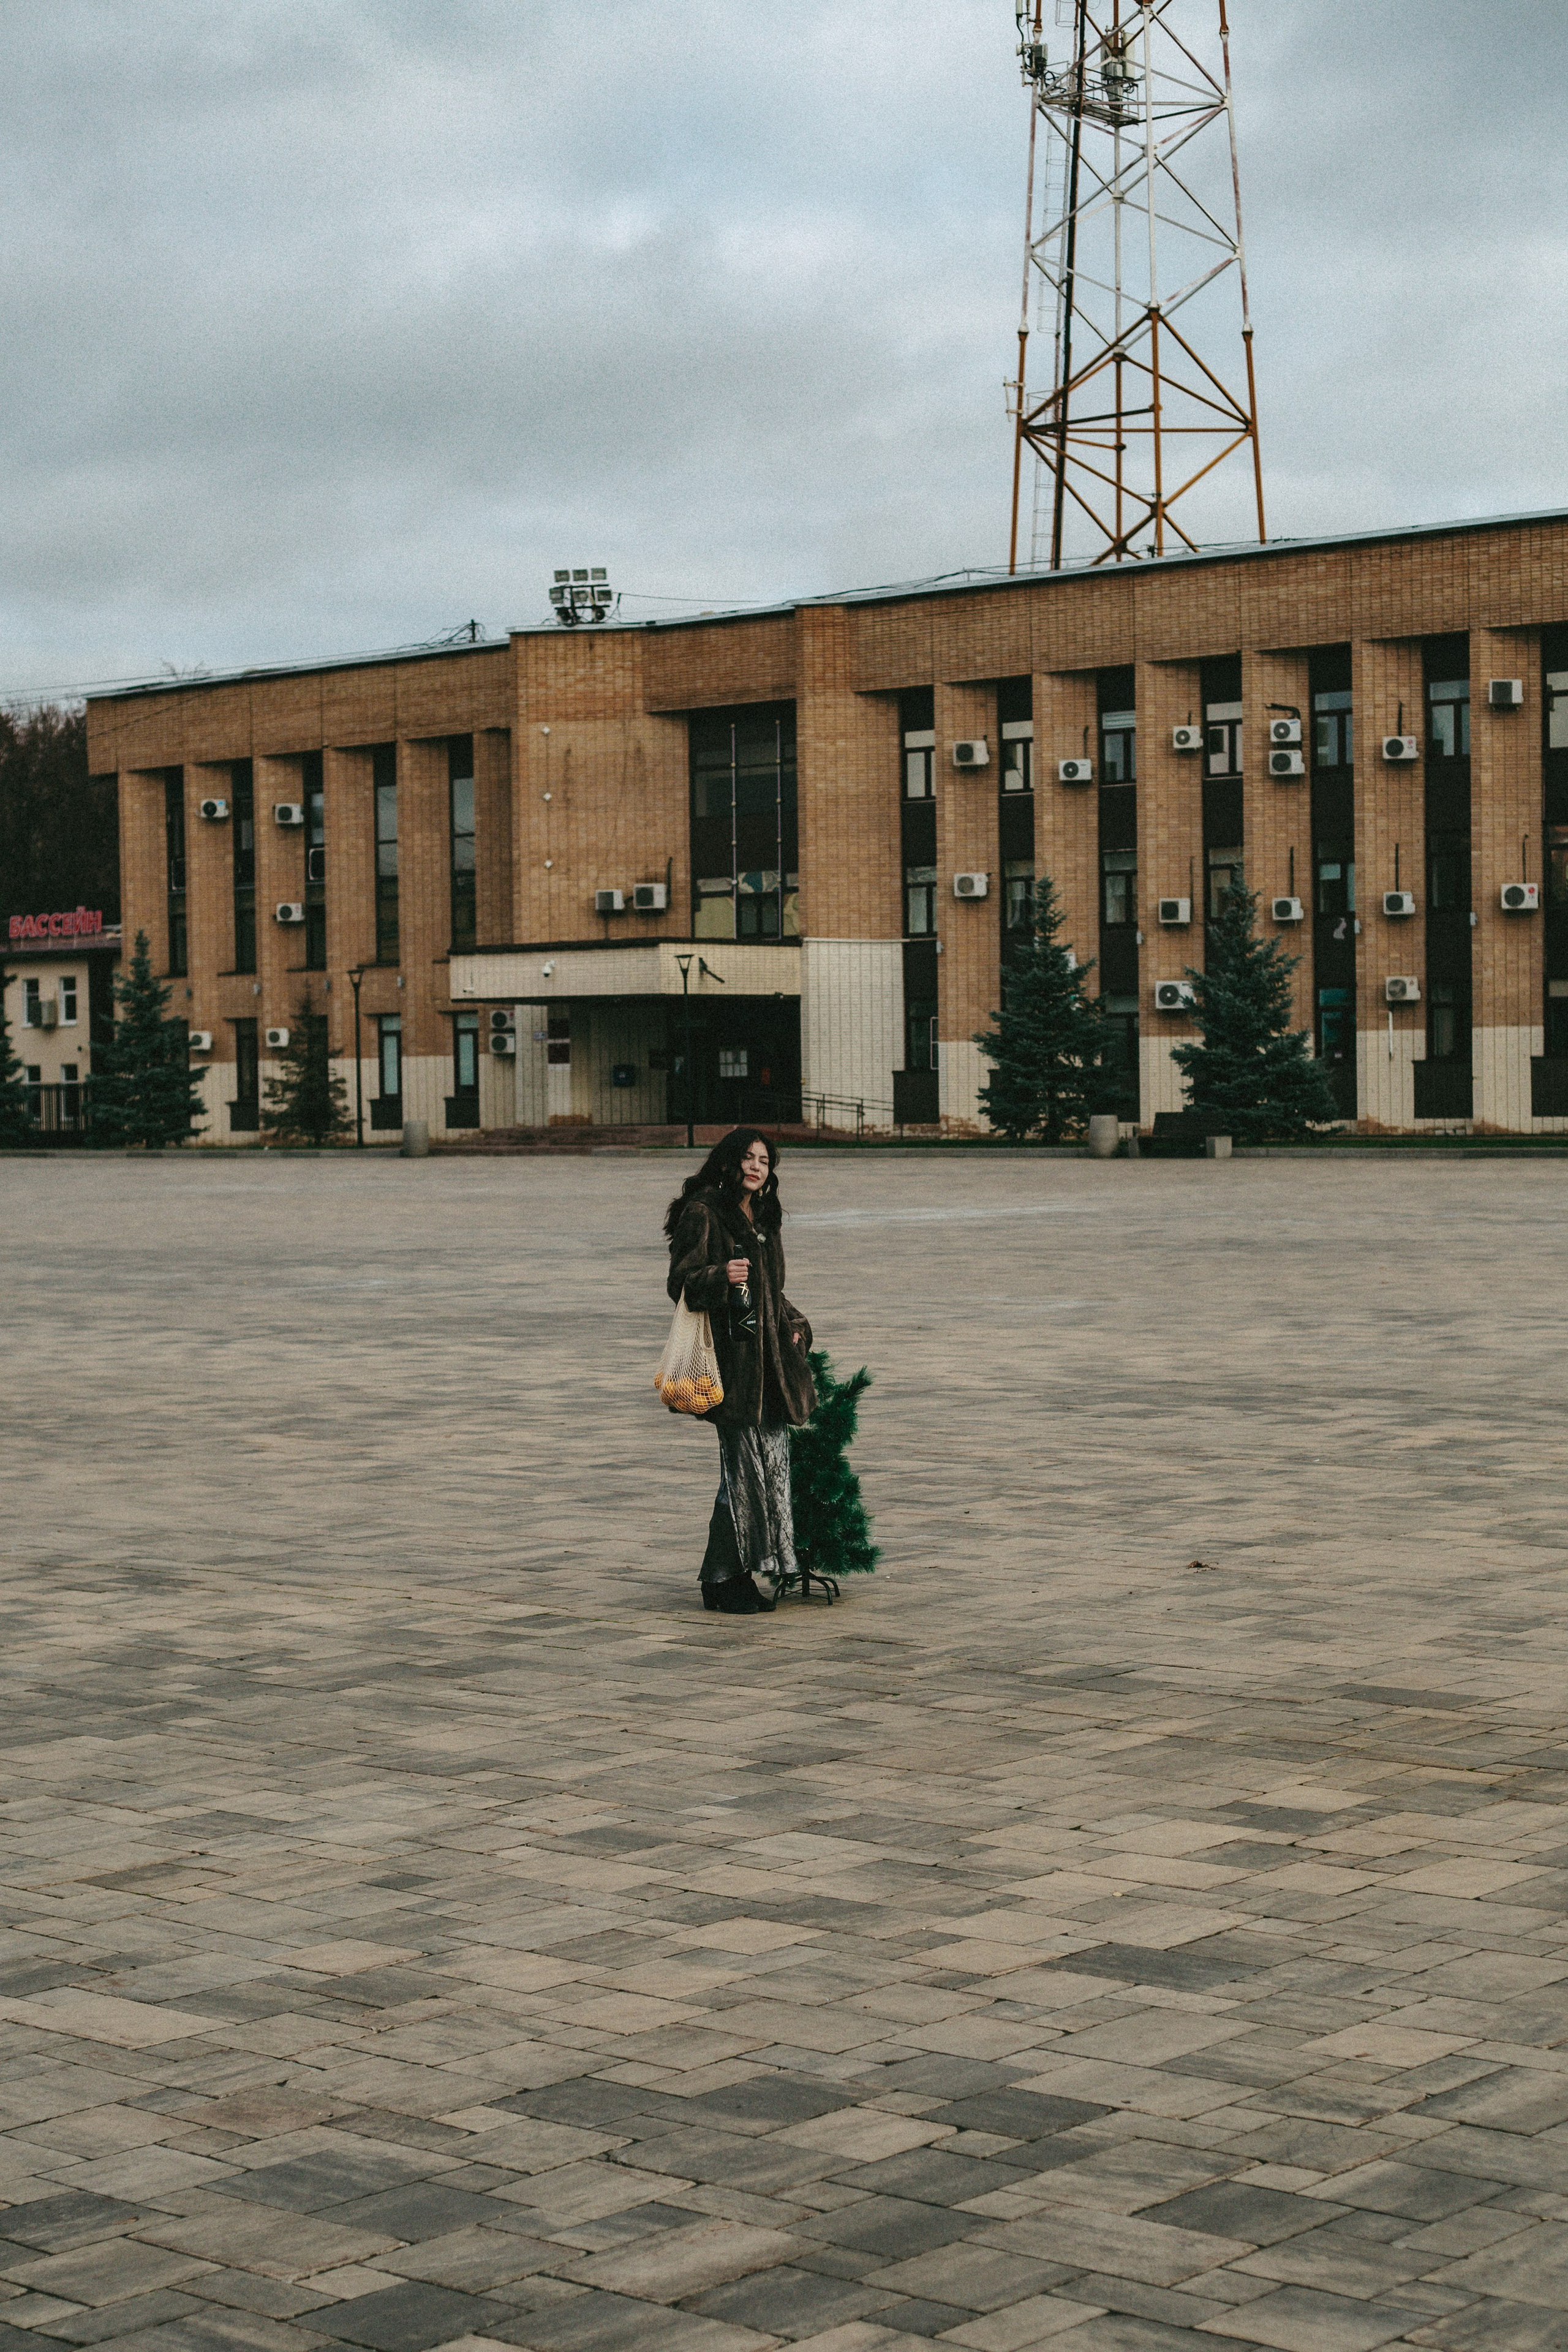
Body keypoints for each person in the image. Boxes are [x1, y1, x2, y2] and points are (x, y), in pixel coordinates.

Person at [665, 1128, 815, 1614]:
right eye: (748, 1158)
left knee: (769, 1473)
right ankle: (724, 1580)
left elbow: (773, 1291)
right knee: (740, 1474)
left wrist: (795, 1326)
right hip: (733, 1366)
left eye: (765, 1161)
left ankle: (731, 1574)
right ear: (728, 1162)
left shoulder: (765, 1218)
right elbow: (680, 1284)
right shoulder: (705, 1212)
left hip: (772, 1367)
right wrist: (719, 1277)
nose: (756, 1167)